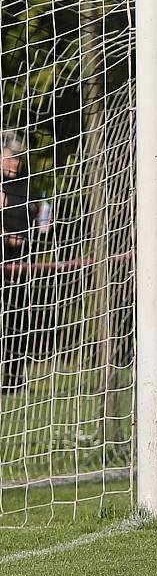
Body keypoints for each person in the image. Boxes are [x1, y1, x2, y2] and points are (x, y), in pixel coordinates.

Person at [1, 131, 38, 391]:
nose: (16, 163)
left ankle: (13, 379)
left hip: (21, 265)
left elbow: (36, 218)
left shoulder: (24, 186)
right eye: (11, 157)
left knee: (17, 322)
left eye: (19, 158)